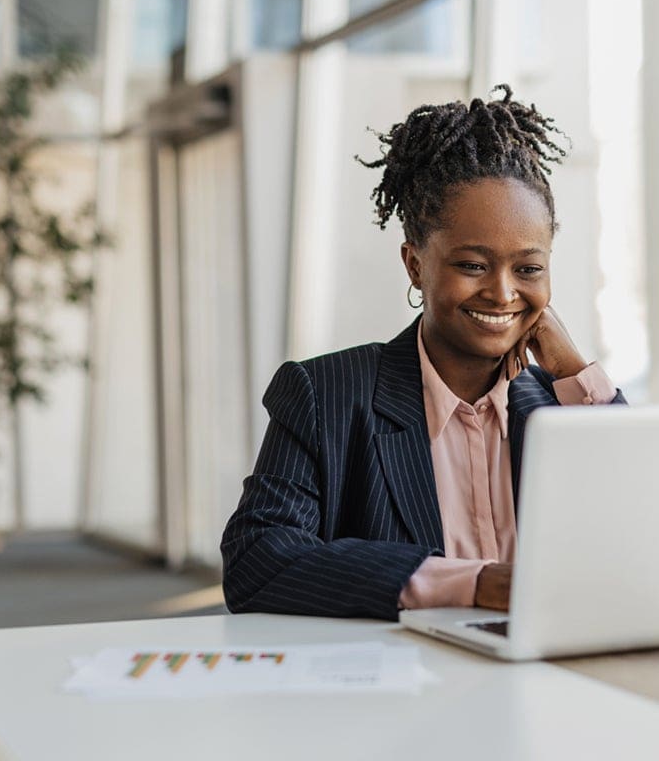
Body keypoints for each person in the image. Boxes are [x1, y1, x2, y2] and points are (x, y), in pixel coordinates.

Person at [221, 86, 626, 621]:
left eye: (528, 269)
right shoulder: (327, 396)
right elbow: (256, 562)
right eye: (473, 266)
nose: (503, 293)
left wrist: (576, 373)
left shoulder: (566, 405)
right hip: (402, 690)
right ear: (415, 265)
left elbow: (654, 533)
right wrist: (474, 583)